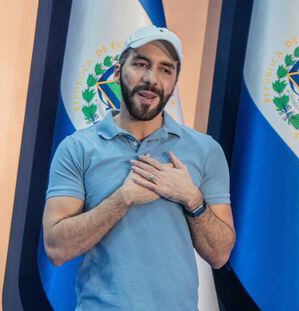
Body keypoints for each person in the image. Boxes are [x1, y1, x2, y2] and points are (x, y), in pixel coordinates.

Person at [43, 26, 235, 310]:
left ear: (174, 82)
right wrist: (122, 199)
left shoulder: (205, 150)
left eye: (165, 70)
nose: (151, 79)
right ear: (119, 71)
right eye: (141, 64)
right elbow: (57, 249)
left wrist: (192, 198)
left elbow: (220, 254)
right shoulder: (77, 148)